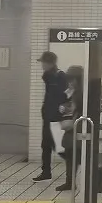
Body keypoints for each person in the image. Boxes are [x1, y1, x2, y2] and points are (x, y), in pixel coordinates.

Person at [34, 51, 67, 182]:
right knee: (46, 145)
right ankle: (46, 171)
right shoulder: (48, 76)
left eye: (43, 62)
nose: (42, 65)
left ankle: (75, 164)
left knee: (58, 147)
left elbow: (65, 95)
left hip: (57, 117)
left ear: (50, 63)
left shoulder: (60, 76)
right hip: (47, 116)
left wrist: (61, 111)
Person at [57, 65, 84, 192]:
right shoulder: (76, 92)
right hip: (77, 129)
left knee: (73, 155)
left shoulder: (81, 94)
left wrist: (70, 120)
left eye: (72, 80)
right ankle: (69, 182)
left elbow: (78, 111)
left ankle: (70, 182)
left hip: (78, 129)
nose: (70, 83)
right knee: (71, 155)